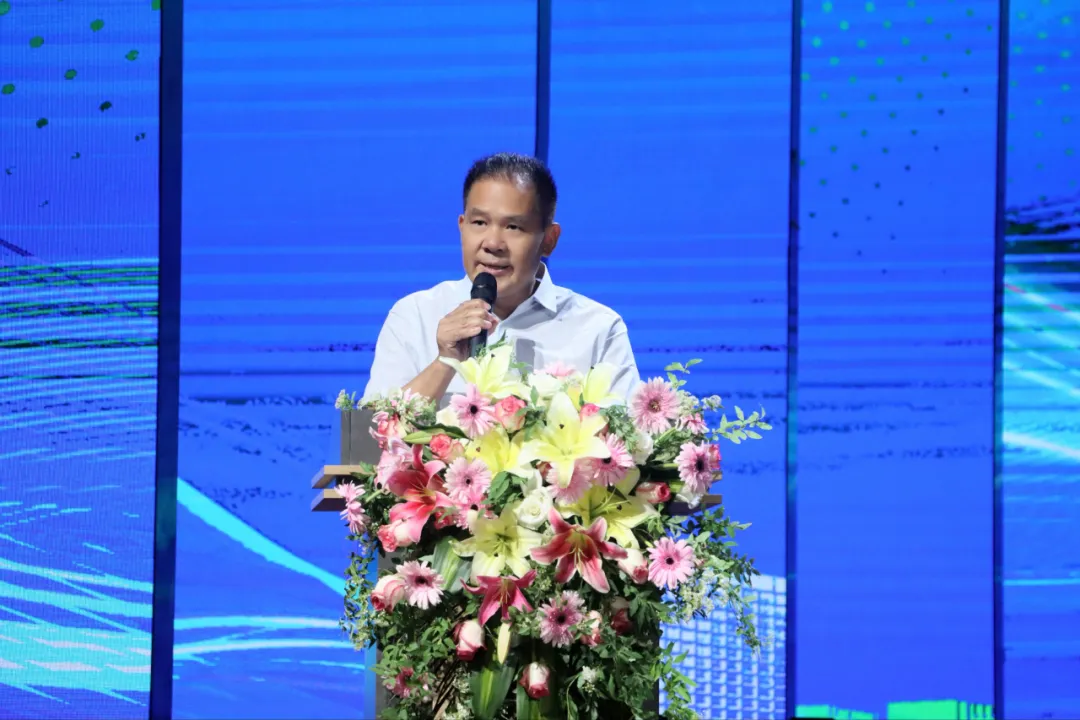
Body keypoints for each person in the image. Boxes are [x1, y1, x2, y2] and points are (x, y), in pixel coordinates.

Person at [363, 152, 640, 404]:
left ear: (549, 240)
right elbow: (367, 435)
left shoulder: (597, 329)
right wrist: (446, 361)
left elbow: (630, 438)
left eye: (513, 227)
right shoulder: (415, 316)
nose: (493, 243)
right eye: (479, 223)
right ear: (462, 227)